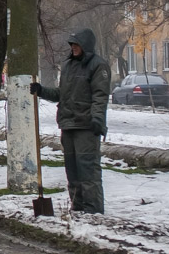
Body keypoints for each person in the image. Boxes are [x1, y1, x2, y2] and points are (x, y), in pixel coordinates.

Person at [31, 28, 111, 214]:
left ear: (86, 45)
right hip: (68, 125)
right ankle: (77, 207)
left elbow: (100, 96)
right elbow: (62, 94)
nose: (73, 47)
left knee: (88, 170)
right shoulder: (68, 66)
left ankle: (93, 210)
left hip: (86, 126)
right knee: (72, 170)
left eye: (77, 44)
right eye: (72, 44)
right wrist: (41, 90)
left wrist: (97, 119)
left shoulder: (98, 66)